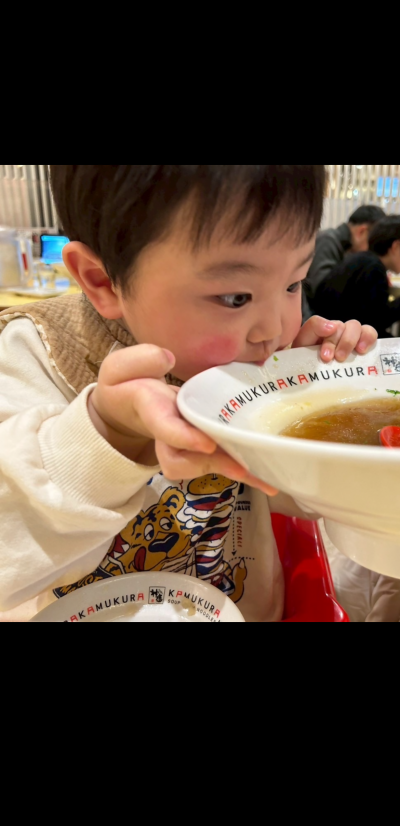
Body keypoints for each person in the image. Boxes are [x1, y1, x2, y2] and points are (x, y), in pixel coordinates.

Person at [0, 165, 378, 623]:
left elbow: (294, 501)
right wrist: (108, 434)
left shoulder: (253, 359)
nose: (275, 329)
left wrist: (307, 404)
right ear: (102, 281)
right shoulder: (37, 352)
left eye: (292, 284)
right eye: (236, 298)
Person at [312, 216, 400, 339]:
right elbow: (376, 322)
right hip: (338, 337)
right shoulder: (373, 268)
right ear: (396, 246)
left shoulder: (361, 259)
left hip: (328, 331)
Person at [303, 205, 386, 320]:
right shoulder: (328, 240)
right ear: (361, 232)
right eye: (373, 240)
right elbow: (321, 292)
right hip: (311, 320)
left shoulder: (345, 247)